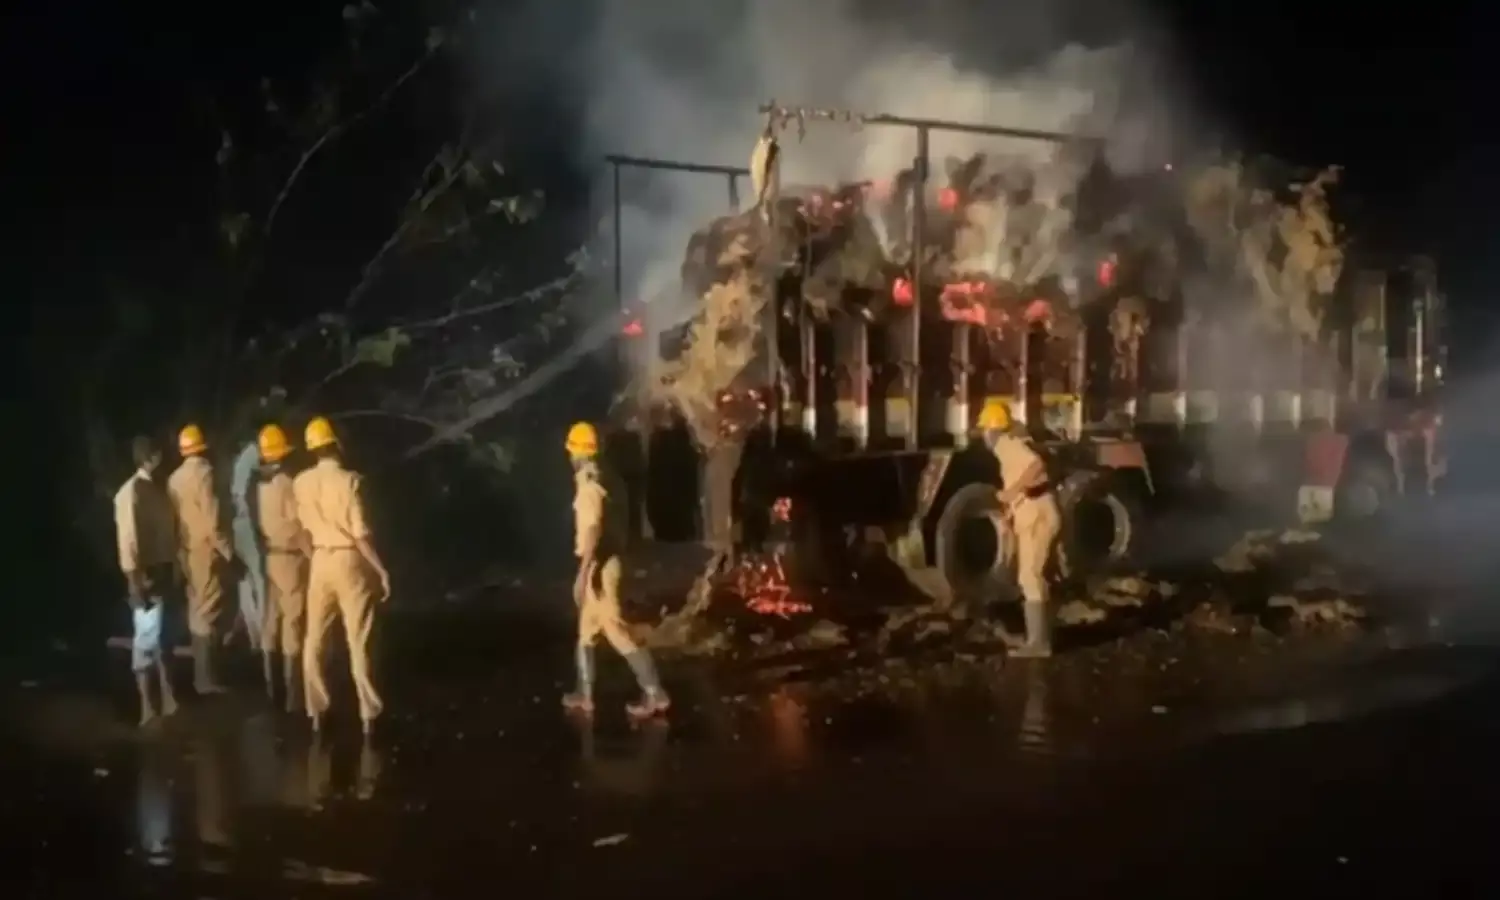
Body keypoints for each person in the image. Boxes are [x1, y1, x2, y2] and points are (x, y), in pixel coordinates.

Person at [560, 421, 670, 719]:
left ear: (577, 452)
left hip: (600, 567)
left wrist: (584, 573)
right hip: (607, 562)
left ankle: (655, 693)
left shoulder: (589, 484)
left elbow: (593, 528)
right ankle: (584, 694)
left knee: (617, 631)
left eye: (571, 451)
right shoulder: (609, 475)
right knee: (586, 631)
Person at [293, 416, 390, 735]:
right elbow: (360, 533)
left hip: (320, 559)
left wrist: (315, 556)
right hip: (349, 559)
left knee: (314, 640)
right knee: (358, 639)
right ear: (336, 444)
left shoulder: (300, 483)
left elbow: (301, 531)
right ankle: (369, 714)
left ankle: (317, 711)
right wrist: (380, 570)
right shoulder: (350, 481)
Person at [976, 399, 1062, 658]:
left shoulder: (1007, 445)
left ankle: (1039, 644)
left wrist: (1012, 492)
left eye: (984, 429)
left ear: (993, 429)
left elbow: (1037, 466)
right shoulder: (1012, 444)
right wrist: (1011, 508)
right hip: (1034, 513)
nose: (983, 435)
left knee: (1030, 576)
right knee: (1032, 576)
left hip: (1037, 515)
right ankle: (1037, 638)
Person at [113, 435, 182, 726]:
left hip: (161, 570)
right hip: (146, 573)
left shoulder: (155, 489)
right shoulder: (131, 492)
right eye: (157, 454)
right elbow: (128, 539)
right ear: (150, 457)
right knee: (145, 641)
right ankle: (147, 707)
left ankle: (167, 698)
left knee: (163, 638)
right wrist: (134, 578)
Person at [167, 424, 235, 694]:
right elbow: (213, 521)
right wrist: (228, 552)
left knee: (196, 609)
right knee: (209, 610)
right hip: (206, 550)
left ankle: (201, 677)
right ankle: (208, 679)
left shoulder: (174, 479)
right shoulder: (205, 474)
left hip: (186, 550)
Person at [254, 424, 309, 712]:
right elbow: (297, 525)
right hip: (289, 557)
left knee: (271, 619)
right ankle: (292, 694)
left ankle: (269, 688)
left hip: (270, 556)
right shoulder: (286, 483)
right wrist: (311, 553)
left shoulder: (259, 484)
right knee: (292, 620)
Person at [230, 435, 268, 665]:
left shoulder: (237, 460)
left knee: (244, 584)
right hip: (248, 524)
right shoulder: (253, 453)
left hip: (236, 525)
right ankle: (264, 640)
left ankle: (254, 639)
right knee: (260, 582)